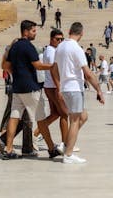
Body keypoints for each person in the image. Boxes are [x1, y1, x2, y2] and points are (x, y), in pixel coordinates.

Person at [53, 22, 104, 164]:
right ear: (81, 34)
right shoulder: (76, 49)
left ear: (69, 31)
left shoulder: (60, 46)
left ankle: (65, 146)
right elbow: (87, 73)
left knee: (83, 116)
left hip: (66, 88)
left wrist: (59, 86)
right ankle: (68, 155)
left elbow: (54, 69)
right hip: (74, 87)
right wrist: (99, 90)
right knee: (74, 121)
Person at [0, 20, 53, 159]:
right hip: (31, 88)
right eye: (33, 31)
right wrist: (53, 66)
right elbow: (38, 65)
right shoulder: (28, 47)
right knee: (40, 119)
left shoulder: (15, 46)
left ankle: (9, 149)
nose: (35, 33)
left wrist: (17, 73)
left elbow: (5, 65)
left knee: (14, 117)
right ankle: (52, 149)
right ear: (26, 31)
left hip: (17, 87)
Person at [36, 29, 69, 158]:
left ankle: (37, 133)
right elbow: (53, 70)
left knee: (55, 113)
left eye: (62, 39)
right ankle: (66, 144)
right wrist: (59, 87)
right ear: (51, 39)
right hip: (54, 86)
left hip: (50, 86)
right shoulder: (51, 52)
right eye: (57, 39)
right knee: (65, 114)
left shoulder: (52, 50)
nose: (60, 41)